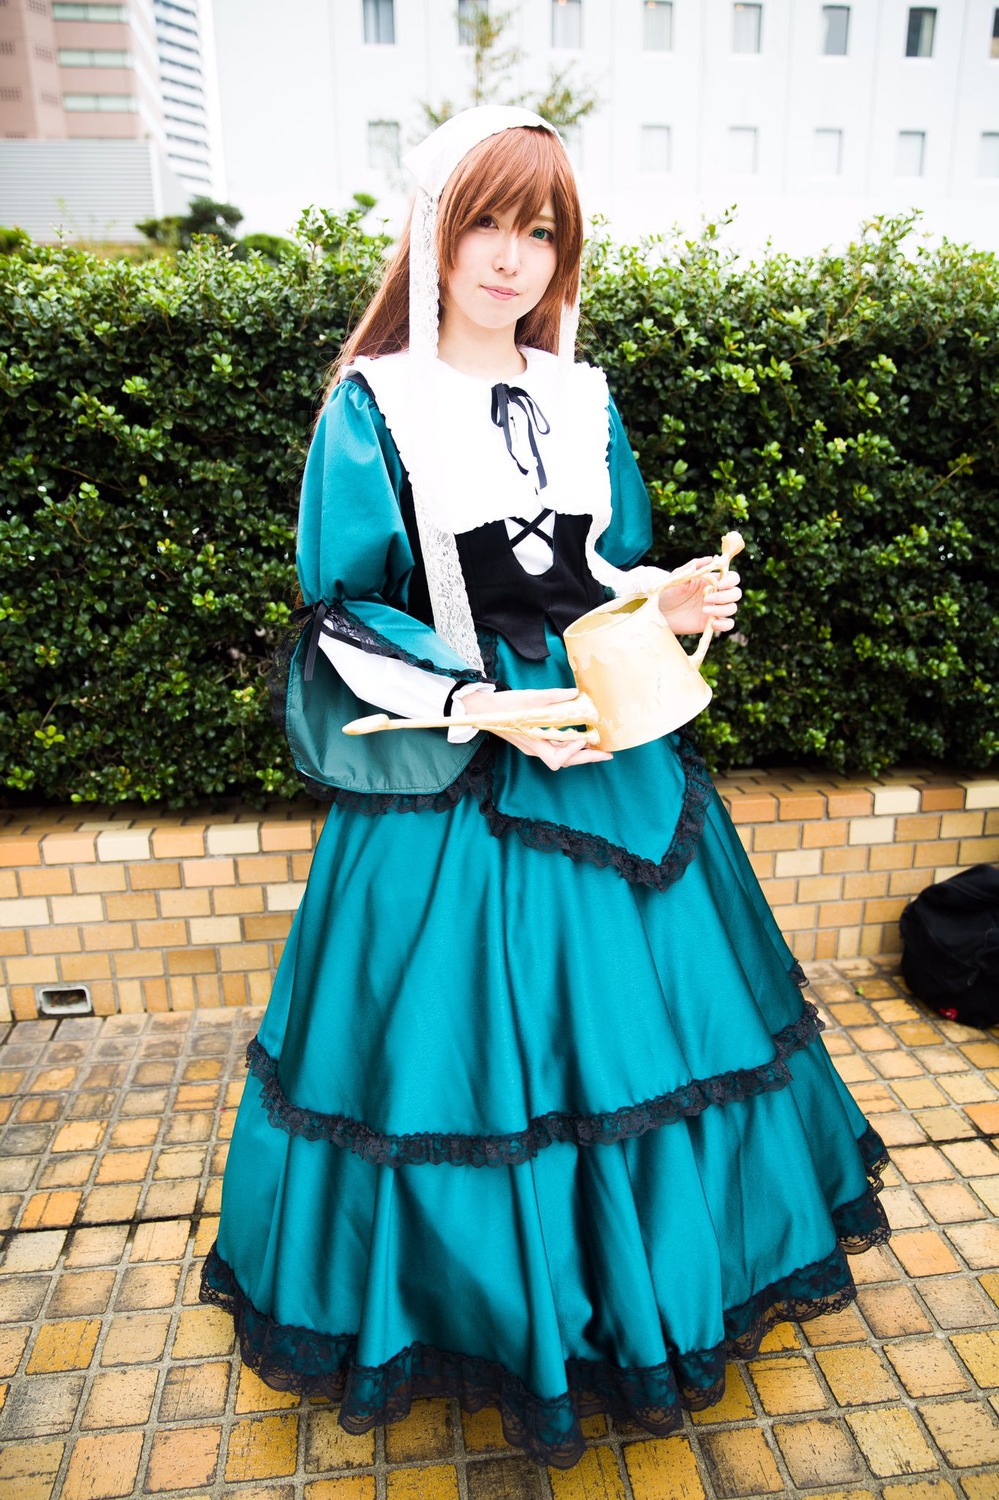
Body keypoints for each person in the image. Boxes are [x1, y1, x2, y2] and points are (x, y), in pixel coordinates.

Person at [201, 106, 889, 1470]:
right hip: (463, 757)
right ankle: (497, 1312)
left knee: (651, 1039)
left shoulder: (580, 396)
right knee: (463, 1058)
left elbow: (596, 570)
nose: (513, 257)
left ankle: (643, 1296)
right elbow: (342, 607)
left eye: (541, 230)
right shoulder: (376, 404)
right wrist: (475, 707)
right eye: (489, 222)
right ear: (436, 230)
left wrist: (668, 590)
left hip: (603, 743)